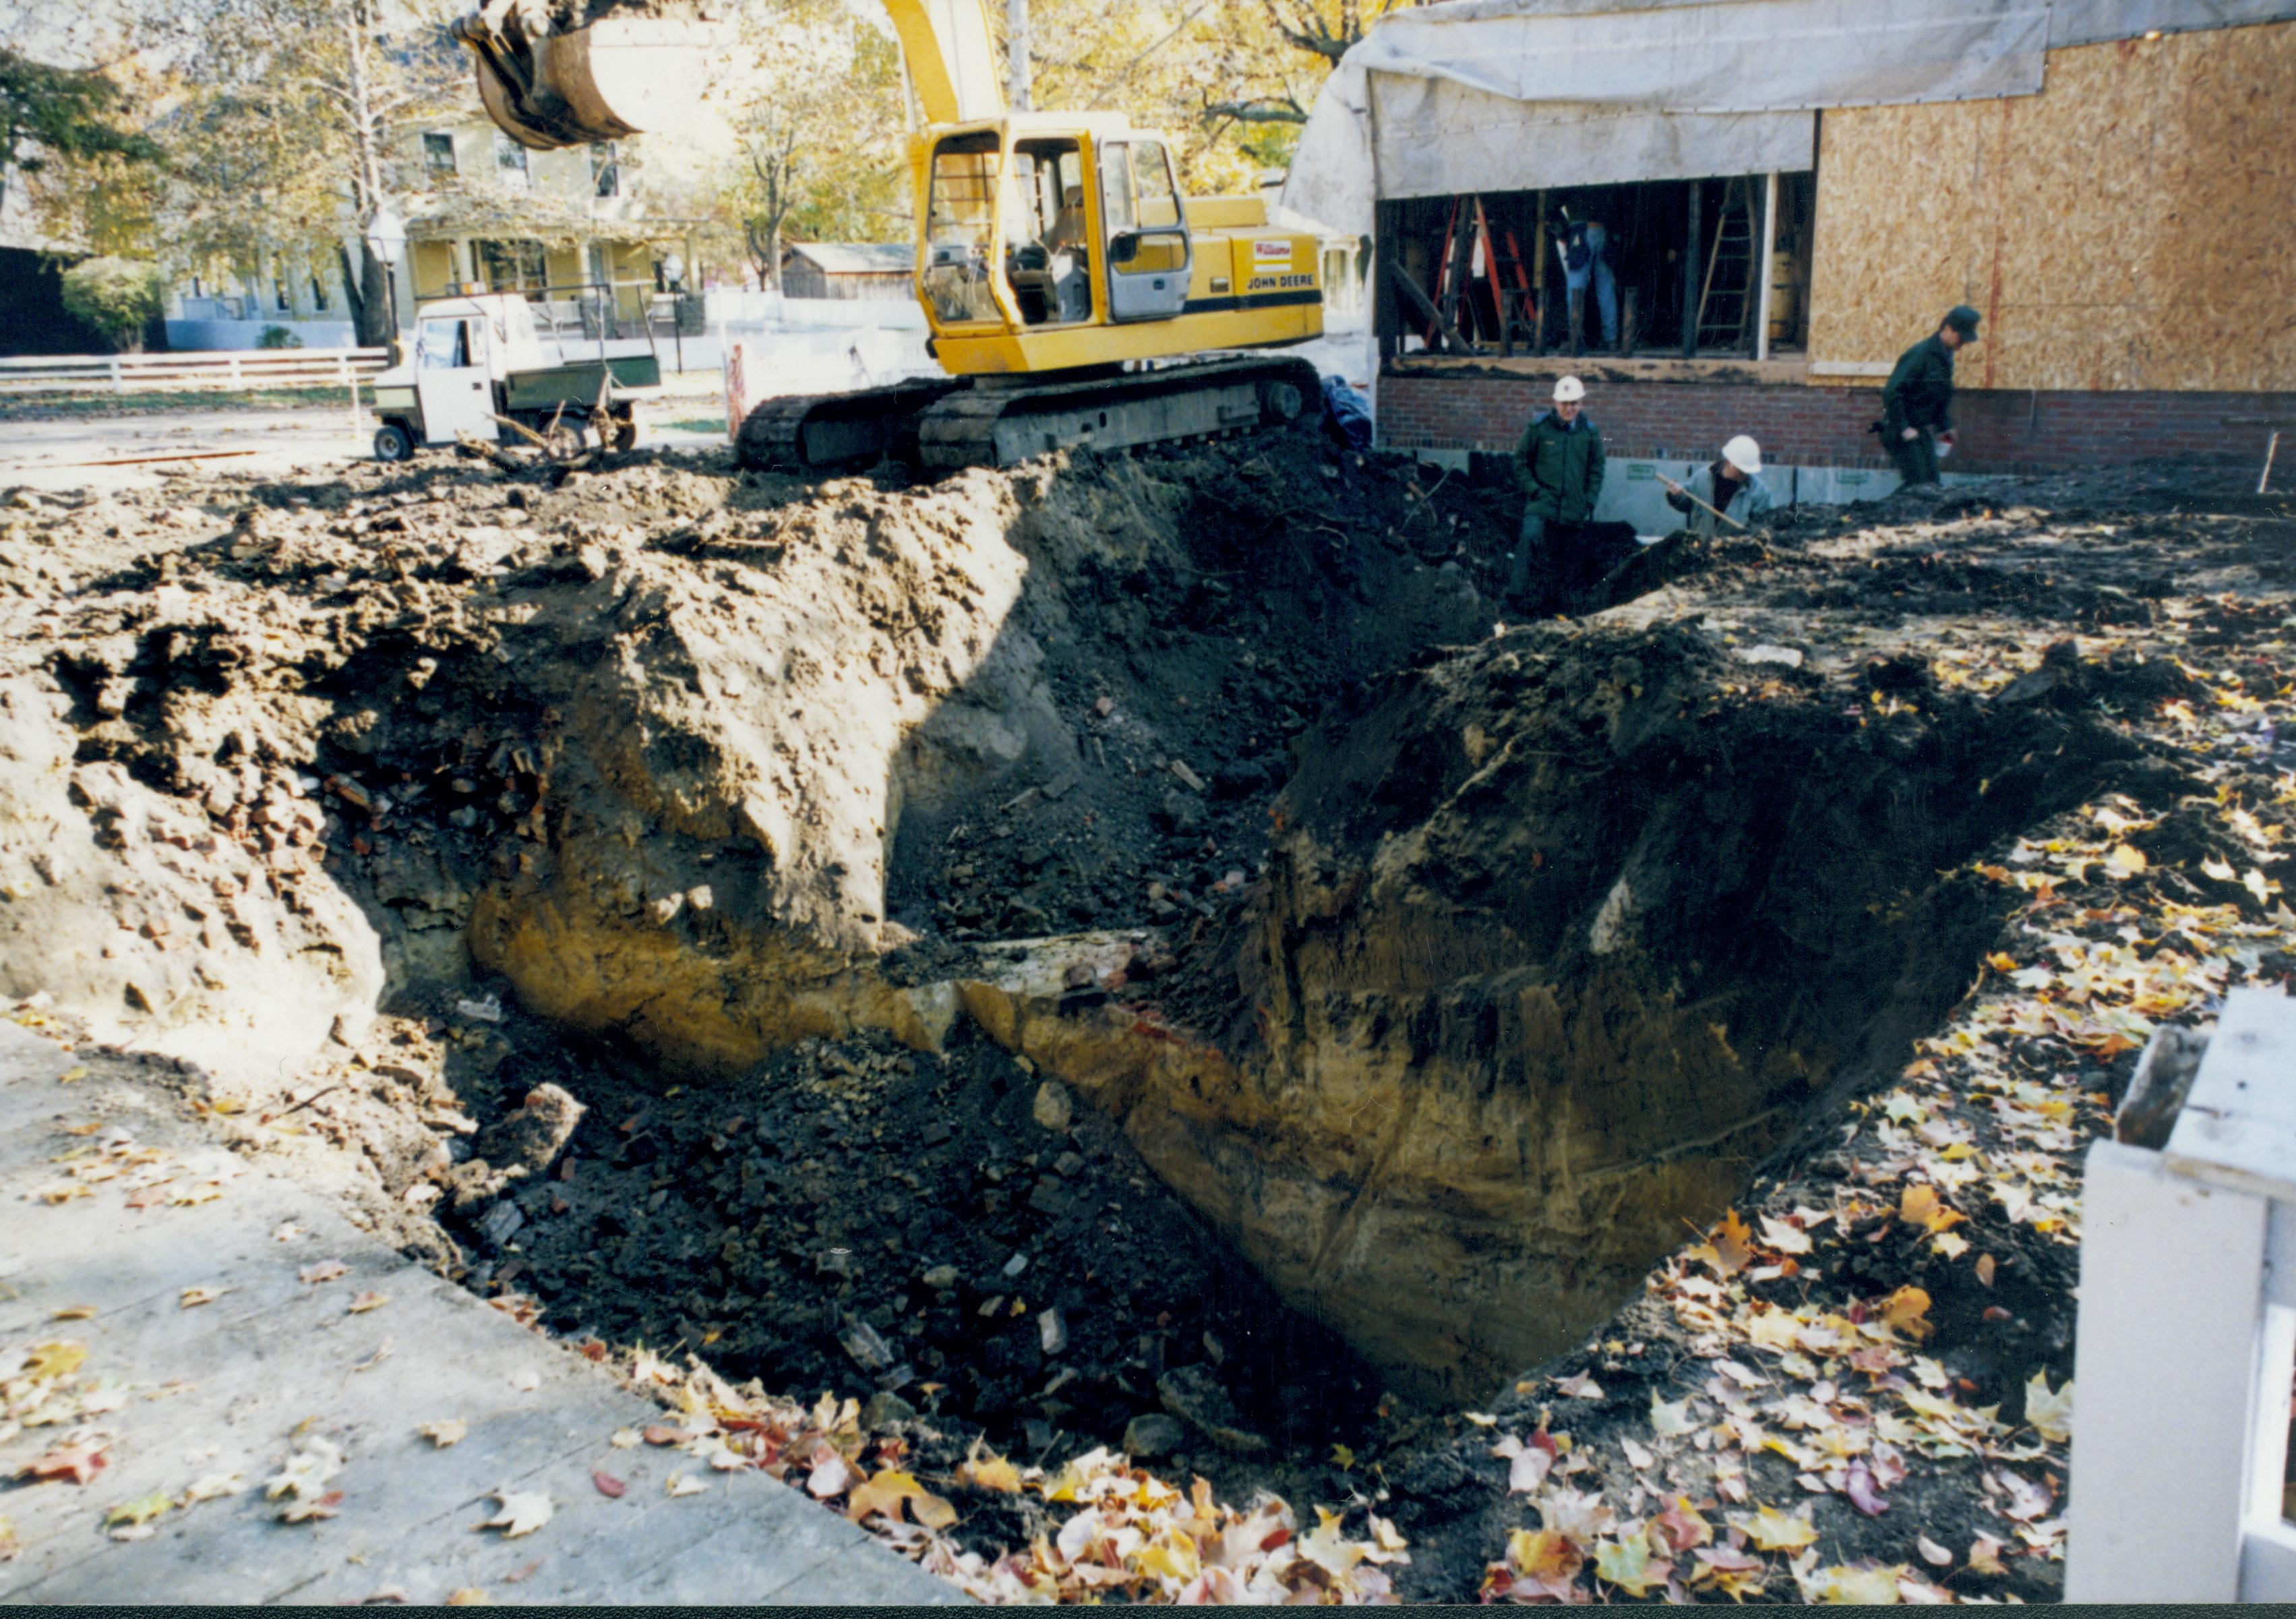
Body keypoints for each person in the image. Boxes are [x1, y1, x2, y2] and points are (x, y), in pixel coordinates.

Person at [1511, 374, 1605, 606]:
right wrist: (1534, 491)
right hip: (1543, 504)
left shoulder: (1590, 433)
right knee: (1531, 539)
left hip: (1574, 508)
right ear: (1555, 403)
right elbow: (1521, 461)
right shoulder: (1539, 429)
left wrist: (1589, 501)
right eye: (1564, 403)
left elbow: (1597, 469)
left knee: (1568, 556)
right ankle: (1516, 597)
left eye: (1574, 403)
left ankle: (1561, 604)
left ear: (1581, 404)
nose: (1569, 408)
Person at [1881, 305, 1981, 489]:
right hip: (1897, 428)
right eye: (1961, 337)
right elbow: (1892, 392)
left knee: (1932, 482)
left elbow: (1937, 399)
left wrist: (1946, 426)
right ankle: (1889, 515)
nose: (1963, 344)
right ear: (1948, 329)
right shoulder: (1922, 354)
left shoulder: (1945, 358)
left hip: (1918, 429)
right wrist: (1904, 428)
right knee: (1920, 484)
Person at [1663, 434, 1776, 539]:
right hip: (1701, 551)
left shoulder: (1759, 492)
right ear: (1728, 462)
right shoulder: (1703, 478)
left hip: (1736, 556)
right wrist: (1676, 495)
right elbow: (1686, 502)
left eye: (1747, 471)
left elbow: (1764, 528)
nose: (1744, 474)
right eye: (1741, 470)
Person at [1556, 213, 1619, 355]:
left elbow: (1554, 202)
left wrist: (1562, 234)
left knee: (1575, 287)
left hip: (1581, 230)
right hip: (1604, 230)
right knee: (1606, 289)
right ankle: (1611, 341)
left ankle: (1575, 339)